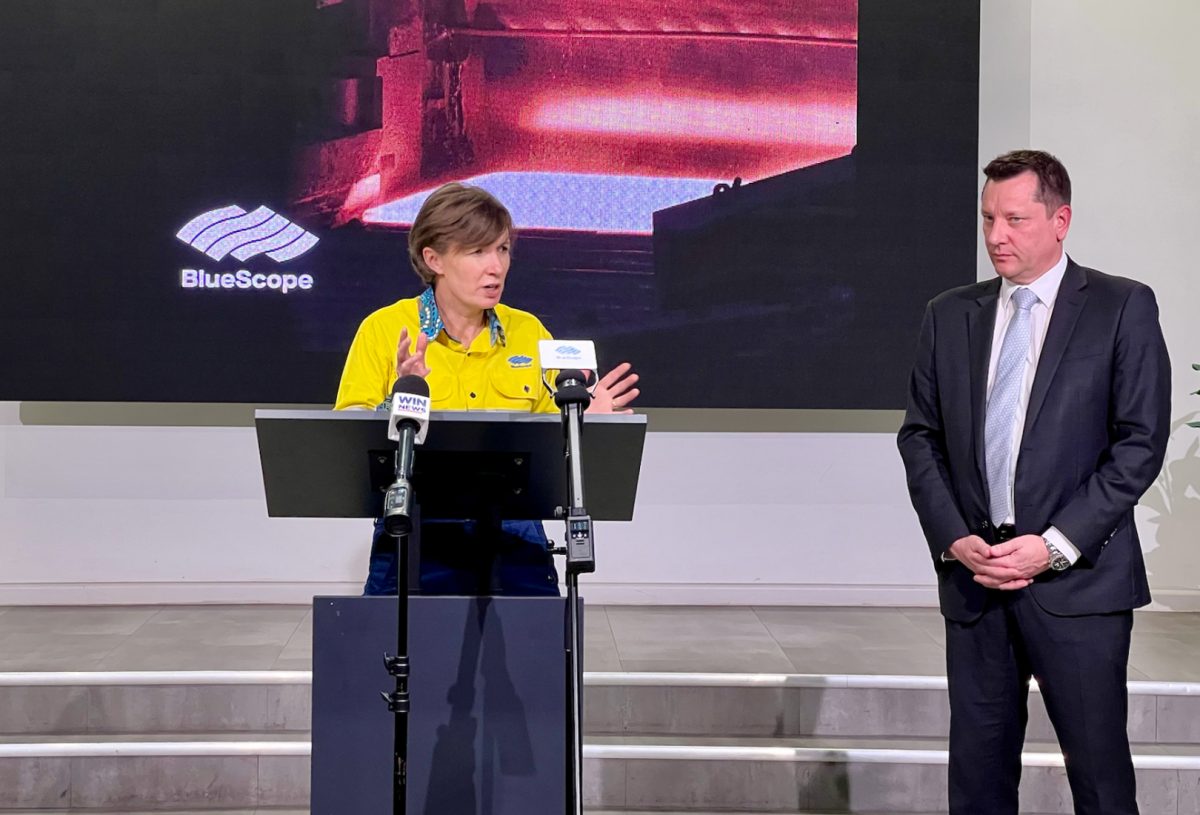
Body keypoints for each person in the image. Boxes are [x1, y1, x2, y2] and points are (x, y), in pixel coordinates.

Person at [896, 150, 1171, 814]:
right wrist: (955, 537)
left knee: (1101, 780)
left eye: (1016, 219)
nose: (997, 235)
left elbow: (1139, 444)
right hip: (977, 582)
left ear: (1060, 220)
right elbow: (920, 436)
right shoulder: (950, 313)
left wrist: (1052, 544)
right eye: (989, 217)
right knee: (979, 783)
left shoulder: (1120, 307)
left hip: (1079, 586)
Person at [335, 182, 640, 596]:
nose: (495, 267)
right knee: (400, 653)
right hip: (417, 531)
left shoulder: (528, 332)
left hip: (515, 533)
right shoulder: (385, 329)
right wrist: (401, 396)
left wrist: (587, 423)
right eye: (477, 252)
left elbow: (552, 445)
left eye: (502, 250)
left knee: (535, 654)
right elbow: (348, 442)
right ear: (434, 258)